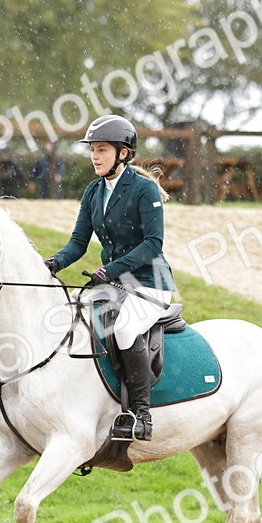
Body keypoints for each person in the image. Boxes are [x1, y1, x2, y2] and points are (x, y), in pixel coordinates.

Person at [44, 115, 175, 442]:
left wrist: (111, 270)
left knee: (125, 327)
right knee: (81, 323)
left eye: (102, 150)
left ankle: (141, 415)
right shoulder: (93, 192)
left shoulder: (144, 190)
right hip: (113, 286)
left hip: (150, 284)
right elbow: (78, 242)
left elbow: (152, 244)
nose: (94, 156)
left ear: (124, 153)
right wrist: (52, 264)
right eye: (92, 150)